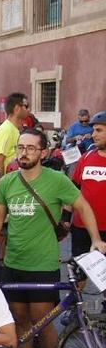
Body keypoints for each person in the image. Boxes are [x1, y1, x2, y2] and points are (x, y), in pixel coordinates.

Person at [0, 129, 106, 348]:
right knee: (19, 319)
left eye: (31, 148)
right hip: (13, 262)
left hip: (42, 264)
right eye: (21, 147)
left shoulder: (56, 180)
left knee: (43, 322)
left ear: (43, 152)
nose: (24, 152)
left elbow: (83, 206)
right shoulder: (8, 181)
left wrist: (95, 239)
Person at [70, 110, 106, 312]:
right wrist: (66, 217)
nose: (94, 134)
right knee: (78, 273)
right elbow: (72, 190)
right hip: (82, 227)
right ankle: (75, 310)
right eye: (93, 130)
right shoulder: (86, 158)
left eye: (99, 130)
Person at [0, 92, 28, 177]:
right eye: (26, 106)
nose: (28, 110)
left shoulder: (12, 129)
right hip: (0, 187)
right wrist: (1, 186)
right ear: (17, 108)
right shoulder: (7, 129)